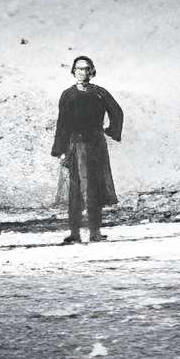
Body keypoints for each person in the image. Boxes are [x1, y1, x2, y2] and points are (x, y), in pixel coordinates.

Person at [51, 55, 124, 244]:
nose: (82, 72)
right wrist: (61, 150)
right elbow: (63, 124)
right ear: (73, 71)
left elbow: (117, 111)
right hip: (75, 146)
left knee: (95, 189)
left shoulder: (100, 93)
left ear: (92, 71)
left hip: (96, 147)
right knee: (75, 190)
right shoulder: (68, 95)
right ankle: (74, 233)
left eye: (86, 69)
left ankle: (95, 232)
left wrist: (110, 130)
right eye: (78, 69)